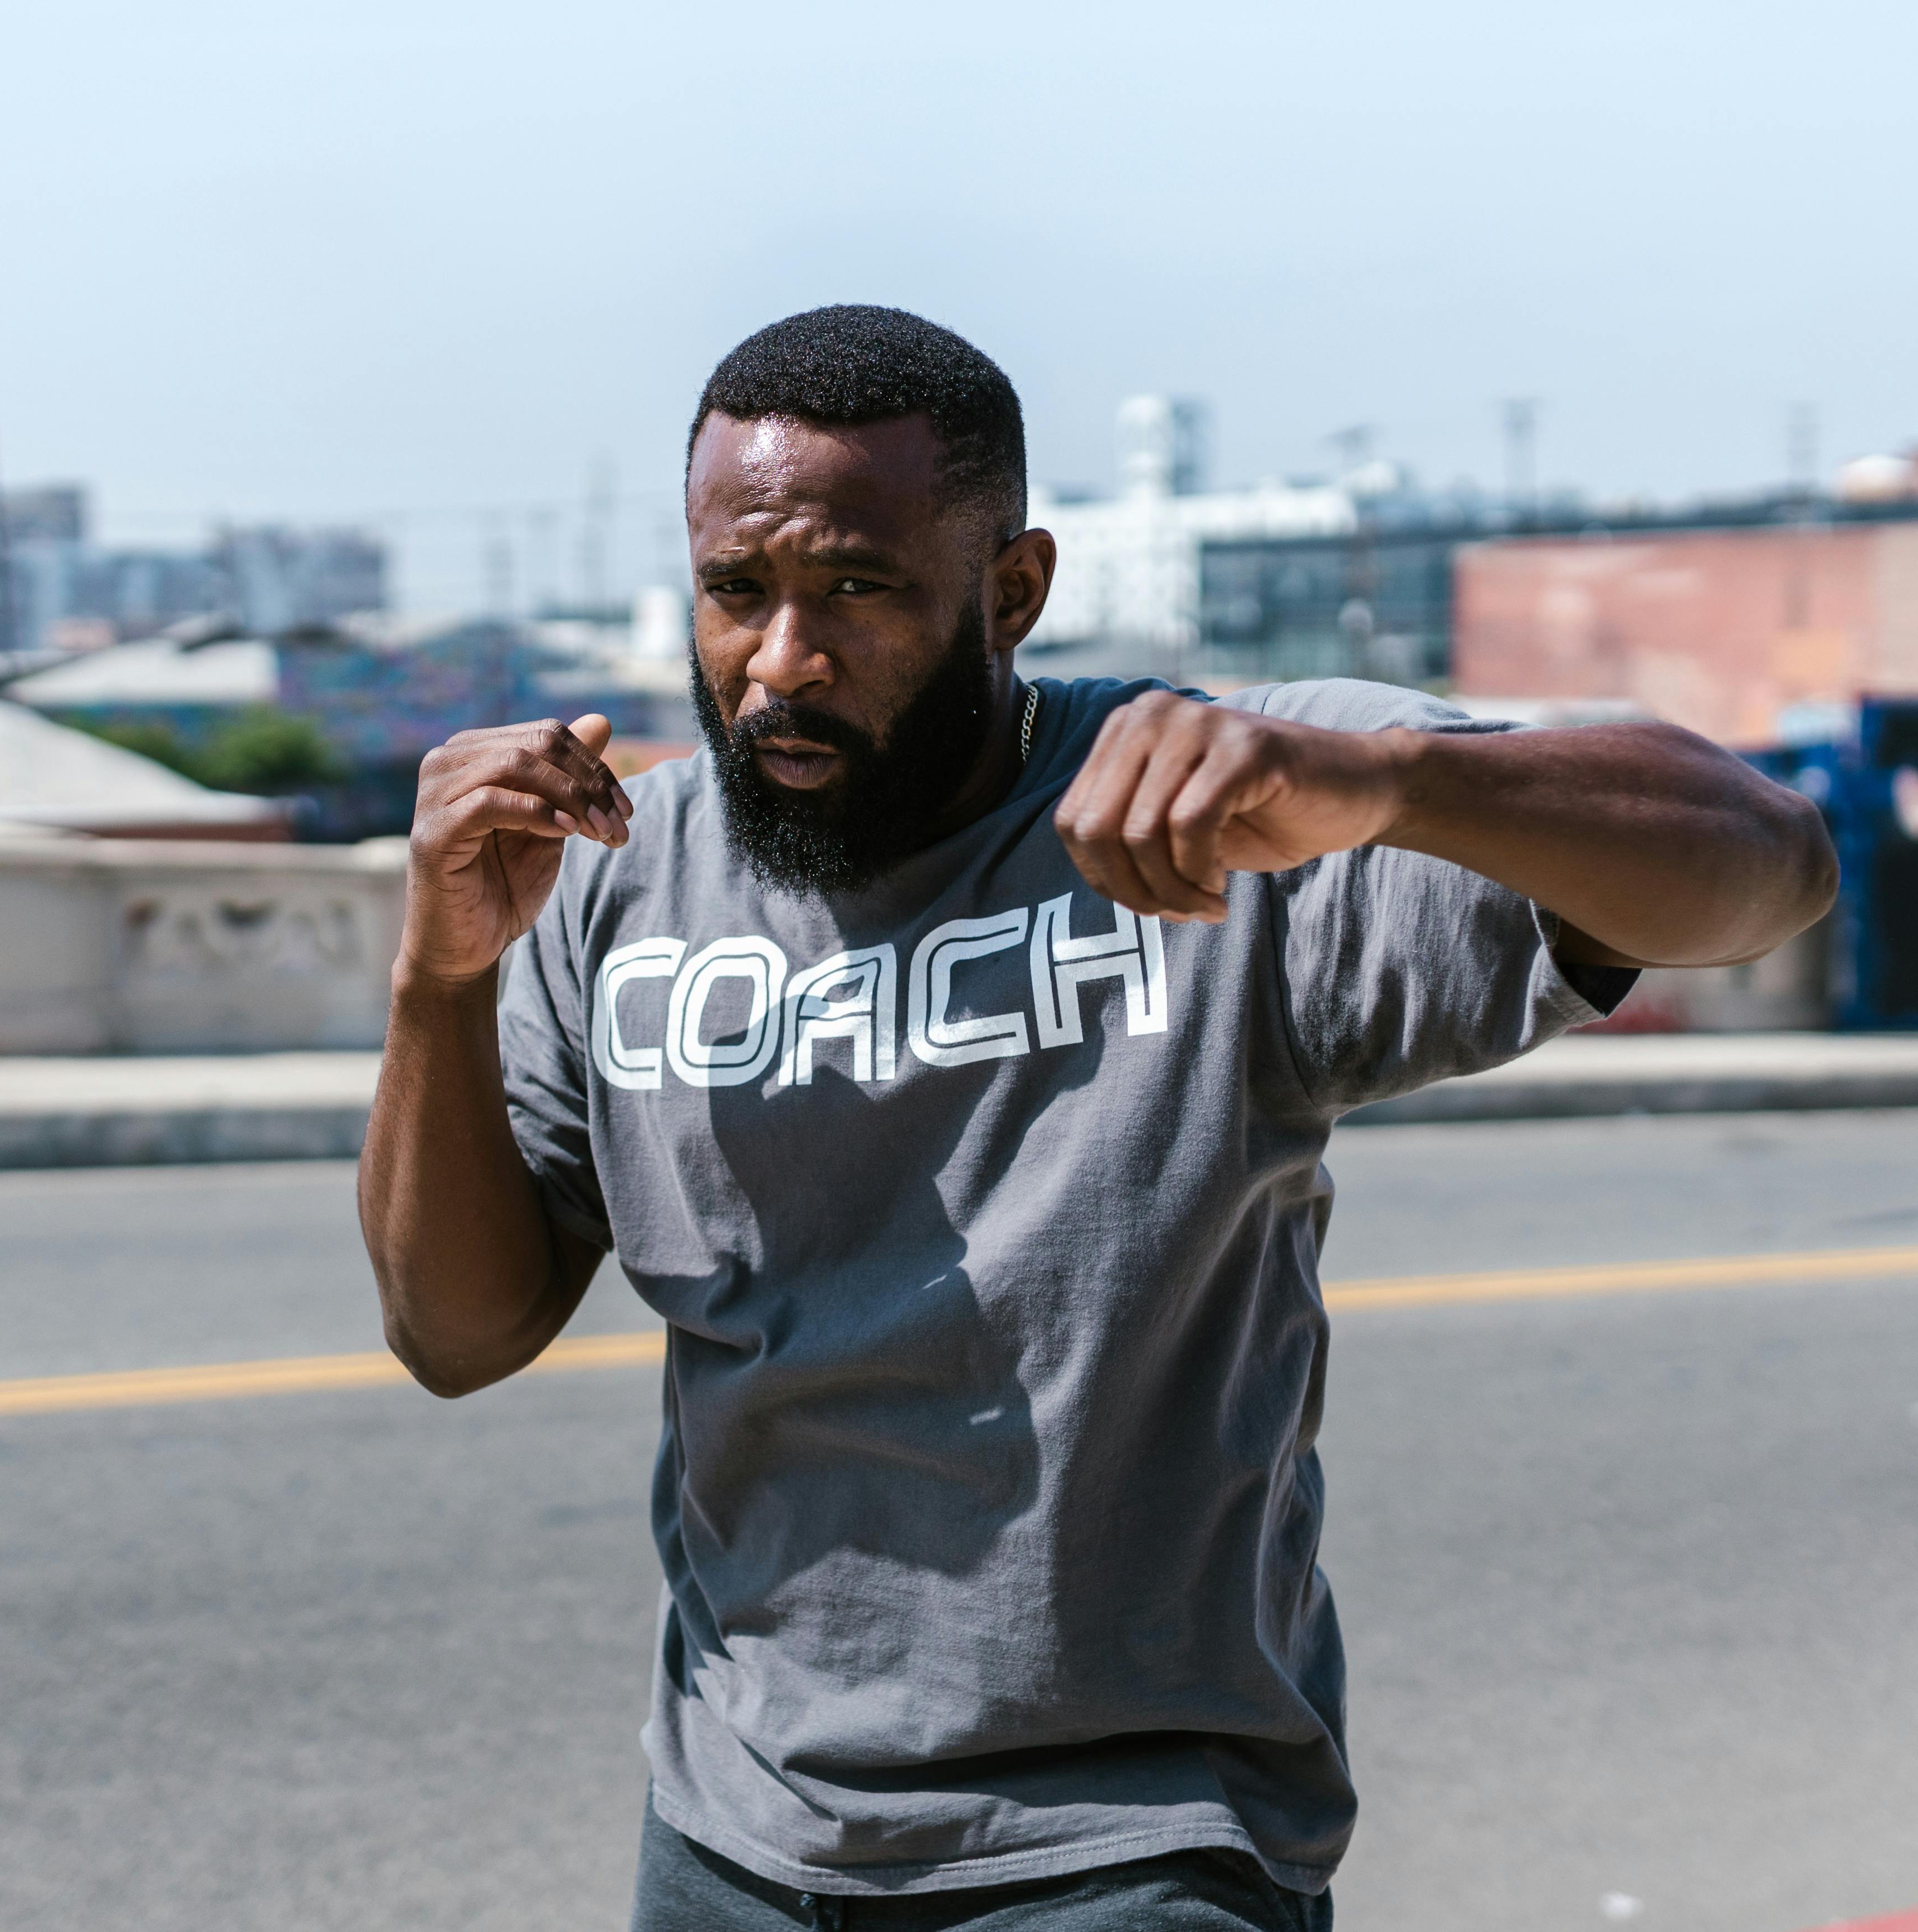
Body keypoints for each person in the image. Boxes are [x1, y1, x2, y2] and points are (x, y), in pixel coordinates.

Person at [356, 306, 1836, 1930]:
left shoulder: (1220, 802)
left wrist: (1391, 784)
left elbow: (1765, 867)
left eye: (856, 586)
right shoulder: (623, 876)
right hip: (732, 1841)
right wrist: (442, 976)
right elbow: (458, 1332)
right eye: (736, 592)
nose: (781, 659)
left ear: (1009, 593)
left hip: (1130, 1847)